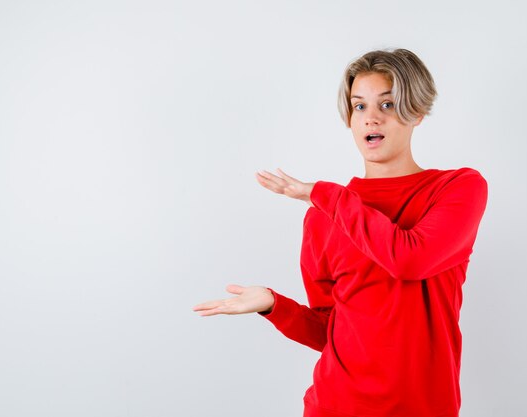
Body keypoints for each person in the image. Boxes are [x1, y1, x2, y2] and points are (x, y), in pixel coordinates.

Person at [193, 48, 488, 417]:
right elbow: (330, 330)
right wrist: (274, 305)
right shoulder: (322, 216)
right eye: (359, 106)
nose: (371, 119)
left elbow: (410, 260)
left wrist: (325, 194)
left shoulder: (456, 188)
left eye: (388, 104)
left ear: (418, 112)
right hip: (335, 405)